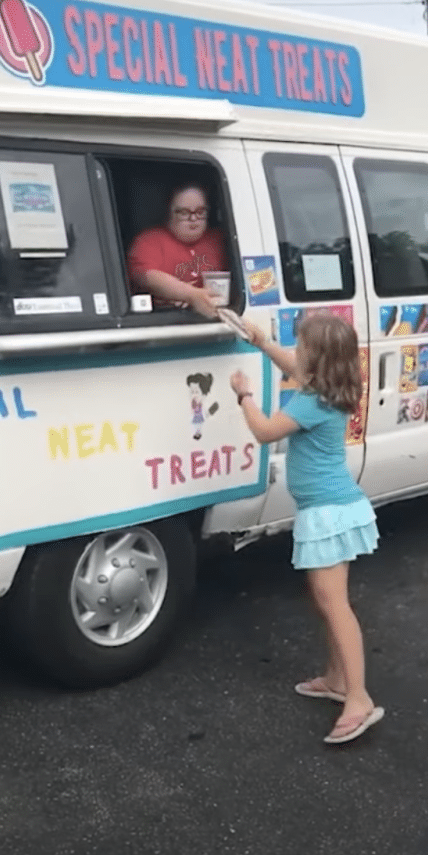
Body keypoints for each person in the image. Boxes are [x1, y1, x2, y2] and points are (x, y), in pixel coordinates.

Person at [231, 314, 384, 744]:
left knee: (335, 606)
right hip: (337, 508)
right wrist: (262, 341)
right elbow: (292, 366)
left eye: (300, 348)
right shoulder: (330, 389)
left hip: (328, 514)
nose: (294, 354)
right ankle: (338, 680)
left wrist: (244, 395)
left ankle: (358, 697)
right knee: (325, 601)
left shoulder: (307, 402)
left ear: (315, 359)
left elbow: (263, 432)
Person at [127, 183, 227, 318]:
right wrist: (191, 295)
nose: (193, 219)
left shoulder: (221, 239)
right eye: (184, 213)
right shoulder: (148, 241)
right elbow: (145, 276)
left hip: (218, 321)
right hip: (168, 324)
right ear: (168, 213)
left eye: (200, 212)